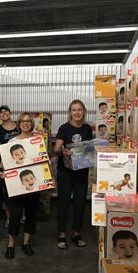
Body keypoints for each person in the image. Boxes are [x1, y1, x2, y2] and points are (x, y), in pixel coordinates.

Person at [0, 112, 39, 259]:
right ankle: (11, 243)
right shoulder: (12, 142)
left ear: (32, 123)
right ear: (19, 123)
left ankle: (26, 242)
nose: (26, 123)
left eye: (28, 121)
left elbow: (43, 162)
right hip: (15, 186)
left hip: (33, 185)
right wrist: (1, 172)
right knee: (15, 213)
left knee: (31, 214)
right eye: (23, 121)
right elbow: (4, 163)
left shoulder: (37, 141)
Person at [54, 99, 93, 250]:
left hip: (81, 171)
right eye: (74, 110)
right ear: (70, 112)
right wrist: (63, 151)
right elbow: (56, 149)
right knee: (63, 201)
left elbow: (88, 148)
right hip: (65, 171)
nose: (77, 112)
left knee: (80, 202)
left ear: (84, 112)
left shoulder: (87, 129)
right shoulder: (64, 128)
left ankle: (76, 233)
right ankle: (62, 234)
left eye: (80, 110)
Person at [0, 105, 20, 226]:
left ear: (10, 112)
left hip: (21, 162)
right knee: (8, 192)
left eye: (6, 111)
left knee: (21, 189)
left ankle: (21, 216)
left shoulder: (18, 125)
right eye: (1, 112)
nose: (4, 113)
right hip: (7, 164)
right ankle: (9, 218)